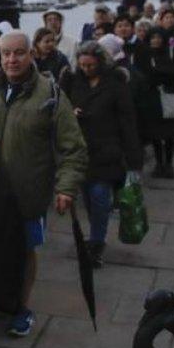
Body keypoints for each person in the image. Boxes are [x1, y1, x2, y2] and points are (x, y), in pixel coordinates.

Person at [0, 30, 88, 337]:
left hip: (26, 193)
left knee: (24, 251)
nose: (12, 60)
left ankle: (20, 307)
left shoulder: (50, 95)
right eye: (6, 54)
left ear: (31, 55)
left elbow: (73, 147)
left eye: (18, 53)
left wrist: (66, 187)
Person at [61, 42, 143, 267]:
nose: (86, 69)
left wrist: (134, 159)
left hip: (107, 150)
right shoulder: (72, 80)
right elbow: (60, 106)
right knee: (88, 197)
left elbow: (127, 121)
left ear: (100, 63)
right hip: (80, 150)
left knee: (99, 197)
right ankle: (97, 233)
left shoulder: (115, 84)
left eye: (90, 65)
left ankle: (97, 243)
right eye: (82, 65)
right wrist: (70, 112)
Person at [136, 28, 174, 179]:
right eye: (152, 38)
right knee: (155, 135)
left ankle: (169, 164)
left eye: (158, 37)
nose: (155, 41)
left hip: (168, 97)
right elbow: (143, 74)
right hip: (151, 99)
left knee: (169, 135)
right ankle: (159, 164)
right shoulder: (144, 54)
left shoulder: (171, 53)